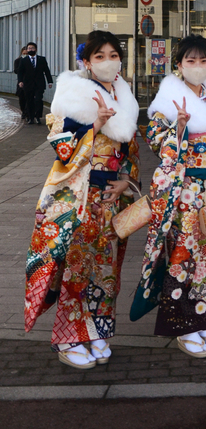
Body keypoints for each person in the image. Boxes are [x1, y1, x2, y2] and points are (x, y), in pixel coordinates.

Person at [25, 31, 140, 369]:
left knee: (107, 268)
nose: (108, 61)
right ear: (86, 62)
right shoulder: (72, 96)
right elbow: (61, 150)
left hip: (111, 198)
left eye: (113, 54)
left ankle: (97, 330)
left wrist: (125, 182)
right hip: (80, 198)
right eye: (99, 56)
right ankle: (68, 337)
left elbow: (130, 152)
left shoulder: (125, 96)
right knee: (77, 265)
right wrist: (94, 126)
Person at [131, 34, 206, 358]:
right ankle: (184, 327)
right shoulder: (166, 103)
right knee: (183, 257)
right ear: (178, 65)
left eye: (203, 61)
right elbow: (157, 145)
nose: (197, 67)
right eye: (190, 61)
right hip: (184, 193)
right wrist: (179, 129)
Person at [16, 41, 53, 124]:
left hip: (39, 84)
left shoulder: (41, 59)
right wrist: (20, 81)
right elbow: (20, 72)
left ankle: (38, 116)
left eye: (32, 48)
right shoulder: (24, 60)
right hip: (28, 84)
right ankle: (31, 117)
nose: (30, 49)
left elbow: (46, 70)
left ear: (35, 49)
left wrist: (50, 81)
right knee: (29, 101)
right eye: (29, 48)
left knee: (38, 99)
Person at [14, 46, 27, 119]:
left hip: (28, 82)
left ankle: (27, 112)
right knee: (21, 98)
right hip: (21, 82)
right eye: (24, 53)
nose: (25, 54)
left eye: (26, 53)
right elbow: (16, 71)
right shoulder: (17, 61)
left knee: (28, 98)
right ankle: (23, 111)